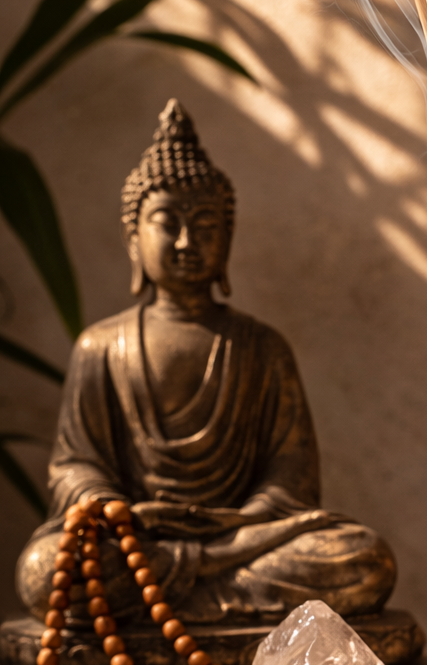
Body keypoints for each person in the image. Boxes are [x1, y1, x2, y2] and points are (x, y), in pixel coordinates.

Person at [16, 99, 396, 626]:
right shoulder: (101, 347)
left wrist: (237, 525)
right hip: (137, 540)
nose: (188, 241)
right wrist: (117, 510)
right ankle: (203, 584)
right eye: (167, 223)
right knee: (43, 570)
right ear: (134, 239)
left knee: (363, 557)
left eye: (206, 224)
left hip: (241, 537)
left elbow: (292, 480)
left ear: (228, 238)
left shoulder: (263, 347)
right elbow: (74, 465)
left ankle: (186, 584)